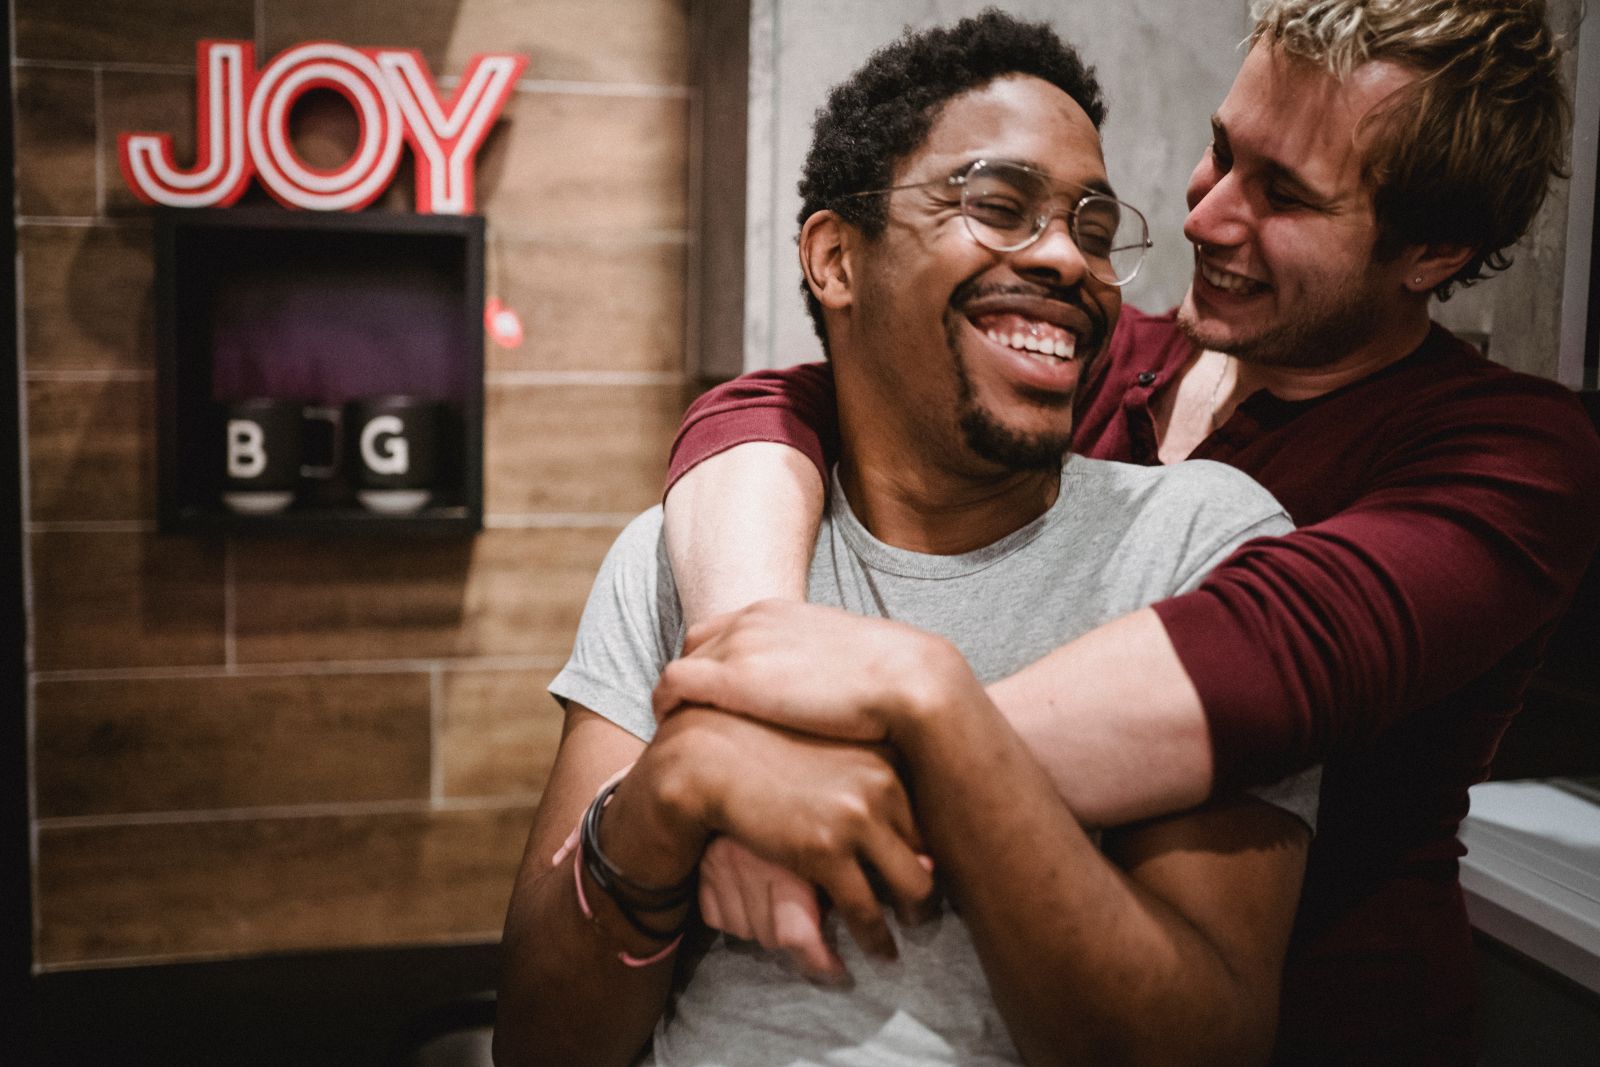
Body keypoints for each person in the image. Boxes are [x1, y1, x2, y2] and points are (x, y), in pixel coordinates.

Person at [653, 0, 1600, 1061]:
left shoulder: (1511, 452)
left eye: (1282, 194)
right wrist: (741, 697)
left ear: (1432, 250)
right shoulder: (1112, 357)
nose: (1204, 216)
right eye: (1221, 150)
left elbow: (1265, 657)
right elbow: (771, 404)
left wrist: (789, 781)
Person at [495, 12, 1321, 1065]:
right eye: (999, 205)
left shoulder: (1198, 549)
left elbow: (1200, 1045)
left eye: (1095, 227)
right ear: (837, 258)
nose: (1070, 257)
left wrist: (926, 696)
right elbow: (538, 1044)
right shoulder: (686, 552)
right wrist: (667, 795)